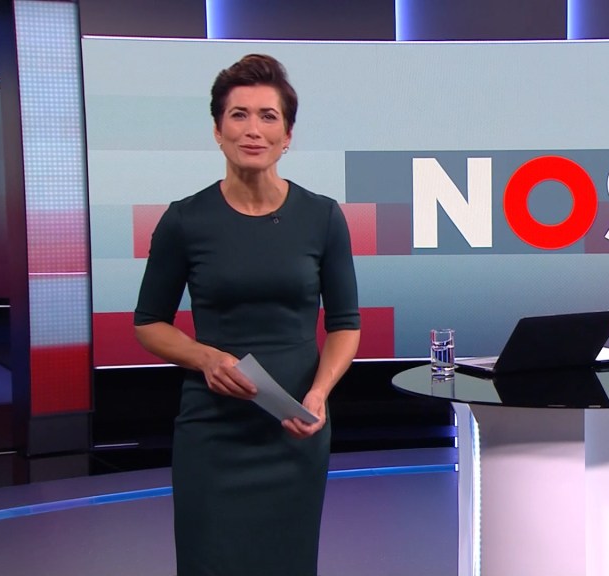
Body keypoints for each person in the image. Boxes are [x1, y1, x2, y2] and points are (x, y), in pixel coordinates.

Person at [133, 53, 361, 576]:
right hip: (213, 433)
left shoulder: (323, 216)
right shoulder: (184, 220)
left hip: (295, 426)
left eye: (267, 116)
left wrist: (319, 393)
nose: (252, 129)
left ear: (287, 135)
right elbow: (149, 323)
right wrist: (205, 358)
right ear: (218, 131)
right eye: (238, 115)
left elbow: (345, 325)